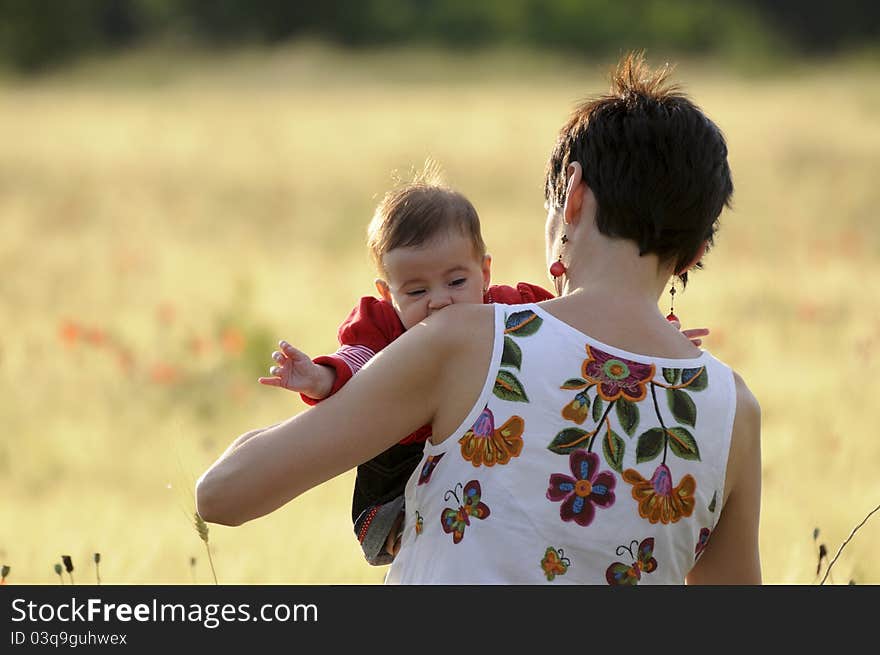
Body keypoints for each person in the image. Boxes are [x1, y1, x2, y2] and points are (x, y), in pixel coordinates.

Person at [196, 51, 762, 584]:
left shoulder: (471, 340)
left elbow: (222, 496)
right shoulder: (734, 409)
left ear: (574, 195)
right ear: (692, 255)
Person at [257, 171, 555, 565]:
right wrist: (320, 377)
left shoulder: (510, 309)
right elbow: (359, 361)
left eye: (456, 281)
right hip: (403, 450)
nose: (438, 301)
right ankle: (402, 534)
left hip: (490, 446)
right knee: (389, 494)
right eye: (416, 291)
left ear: (484, 273)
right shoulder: (383, 325)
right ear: (388, 293)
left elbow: (561, 335)